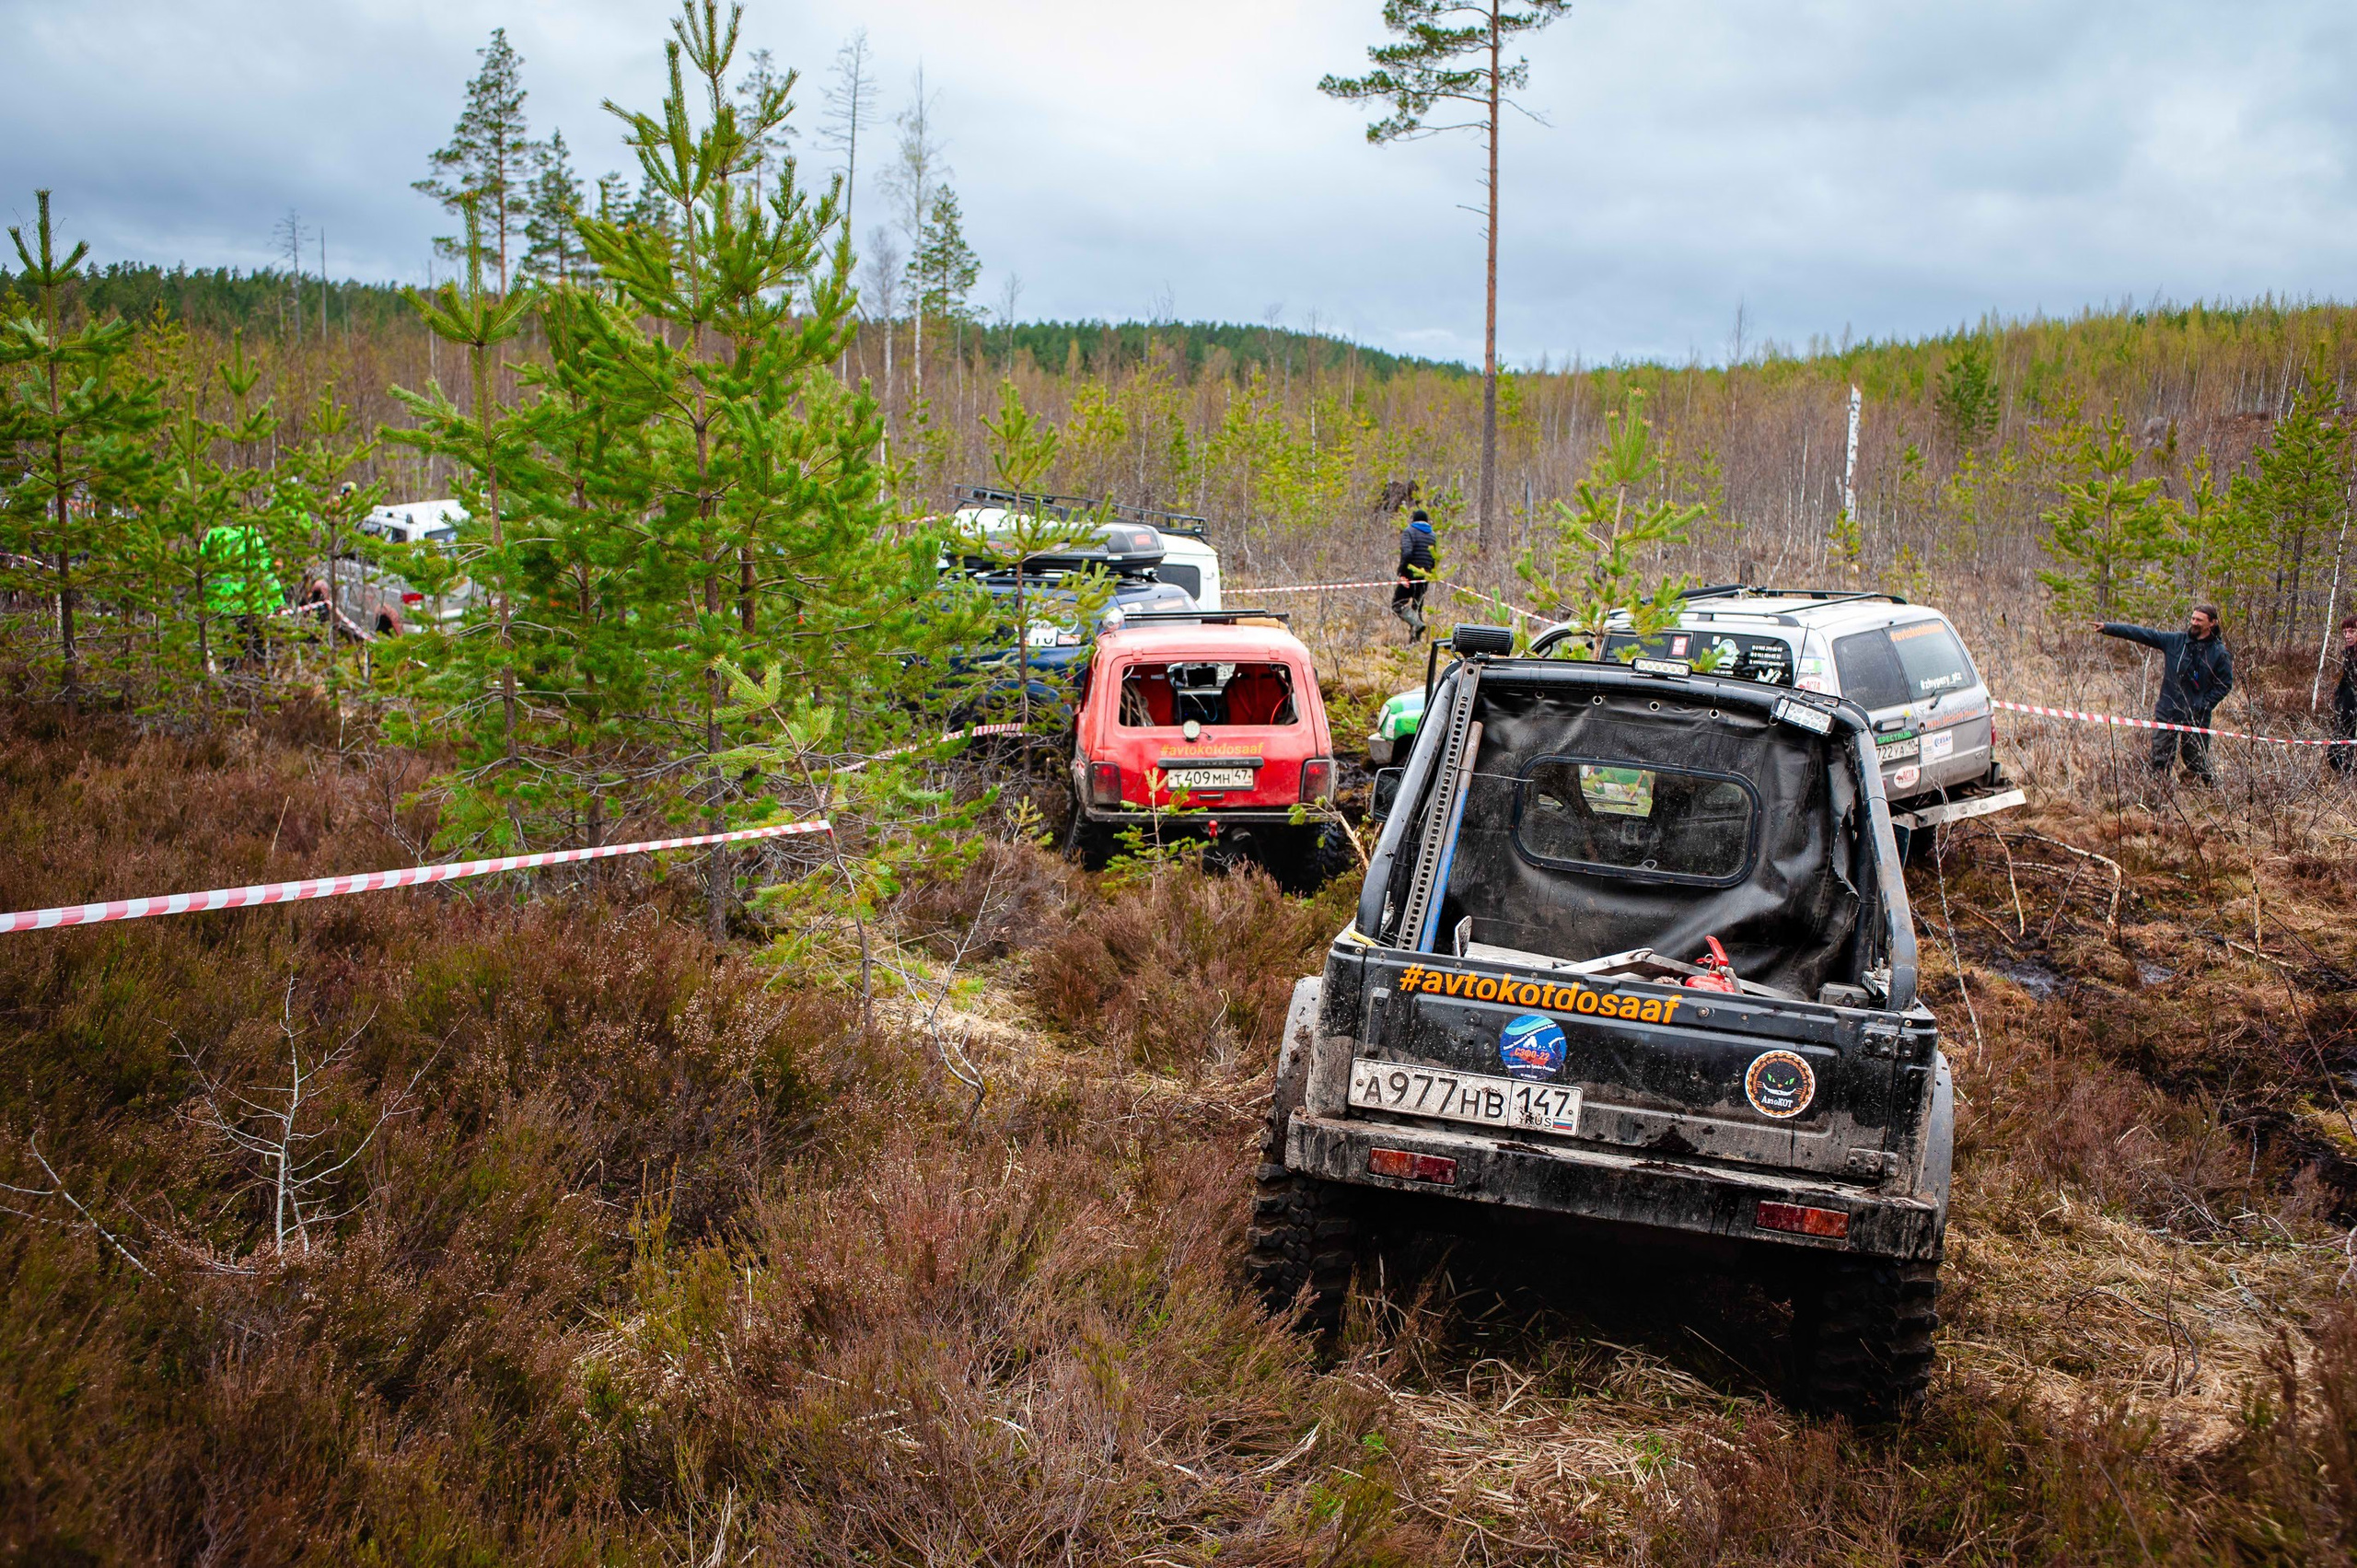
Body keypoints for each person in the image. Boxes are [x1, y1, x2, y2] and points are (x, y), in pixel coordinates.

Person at [2094, 606, 2233, 784]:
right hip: (2168, 709)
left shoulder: (2220, 653)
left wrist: (2204, 705)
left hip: (2197, 715)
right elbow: (2143, 634)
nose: (2194, 623)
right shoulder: (2175, 641)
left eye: (2199, 620)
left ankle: (2207, 791)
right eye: (2193, 618)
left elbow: (2224, 685)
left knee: (2196, 760)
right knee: (2160, 758)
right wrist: (2109, 628)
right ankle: (2159, 792)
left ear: (2212, 623)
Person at [201, 517, 285, 668]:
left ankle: (234, 686)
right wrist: (277, 602)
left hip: (225, 606)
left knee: (230, 654)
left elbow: (203, 572)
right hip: (253, 605)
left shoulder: (213, 536)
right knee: (256, 651)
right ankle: (258, 683)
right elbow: (266, 572)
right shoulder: (252, 535)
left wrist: (204, 604)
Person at [1392, 508, 1435, 642]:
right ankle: (1415, 642)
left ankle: (1417, 625)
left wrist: (1402, 572)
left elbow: (1407, 553)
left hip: (1409, 575)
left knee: (1397, 605)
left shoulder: (1409, 532)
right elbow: (1434, 558)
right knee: (1417, 607)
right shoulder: (1433, 535)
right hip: (1426, 575)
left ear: (1413, 519)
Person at [2330, 614, 2357, 776]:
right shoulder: (2349, 654)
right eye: (2345, 632)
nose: (2347, 635)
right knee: (2334, 752)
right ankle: (2345, 777)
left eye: (2352, 631)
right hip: (2346, 713)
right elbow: (2346, 681)